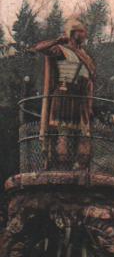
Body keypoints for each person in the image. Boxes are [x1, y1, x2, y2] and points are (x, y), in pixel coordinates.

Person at [33, 19, 96, 171]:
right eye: (81, 31)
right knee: (64, 133)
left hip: (81, 99)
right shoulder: (62, 50)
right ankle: (63, 168)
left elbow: (89, 81)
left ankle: (80, 167)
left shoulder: (85, 55)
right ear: (73, 34)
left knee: (84, 134)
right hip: (64, 96)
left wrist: (90, 105)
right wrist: (56, 40)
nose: (84, 34)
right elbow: (39, 48)